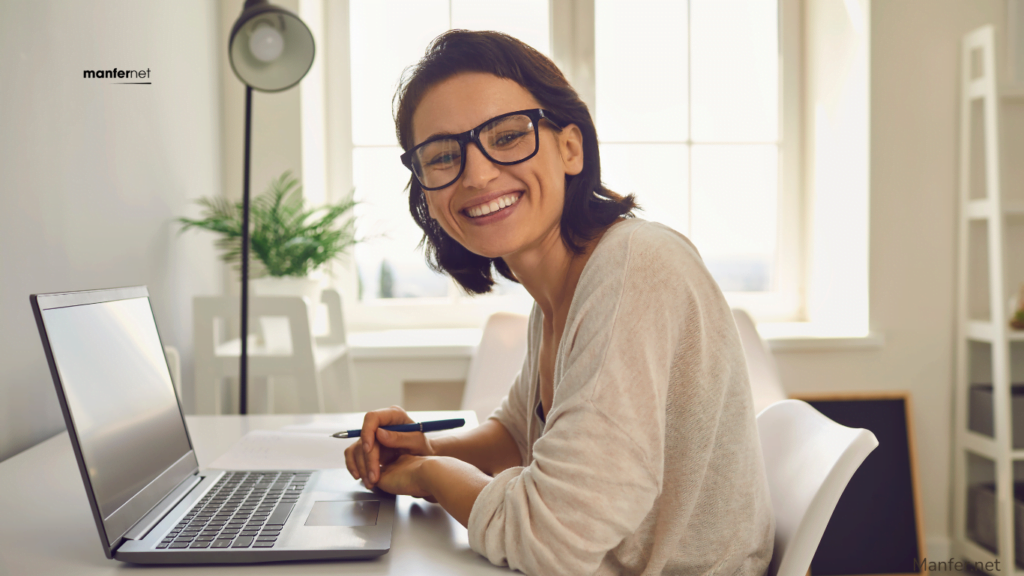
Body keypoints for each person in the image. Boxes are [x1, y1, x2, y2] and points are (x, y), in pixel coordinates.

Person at [344, 29, 774, 576]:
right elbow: (518, 439)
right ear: (425, 188)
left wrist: (427, 478)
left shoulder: (633, 268)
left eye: (505, 137)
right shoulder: (559, 292)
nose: (476, 174)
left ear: (570, 148)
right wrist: (422, 448)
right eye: (443, 156)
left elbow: (550, 539)